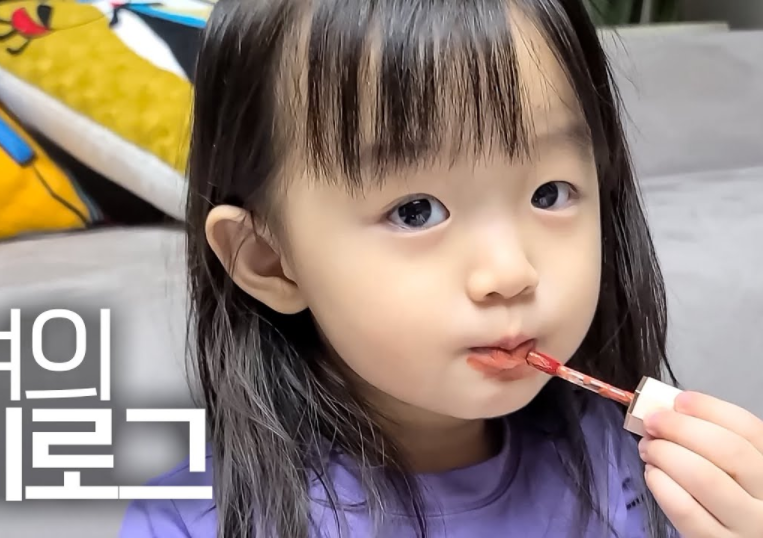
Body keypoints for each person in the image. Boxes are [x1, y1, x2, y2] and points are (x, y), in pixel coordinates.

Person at [119, 0, 763, 536]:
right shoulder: (194, 522)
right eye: (416, 211)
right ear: (270, 261)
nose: (510, 272)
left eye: (550, 194)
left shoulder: (644, 479)